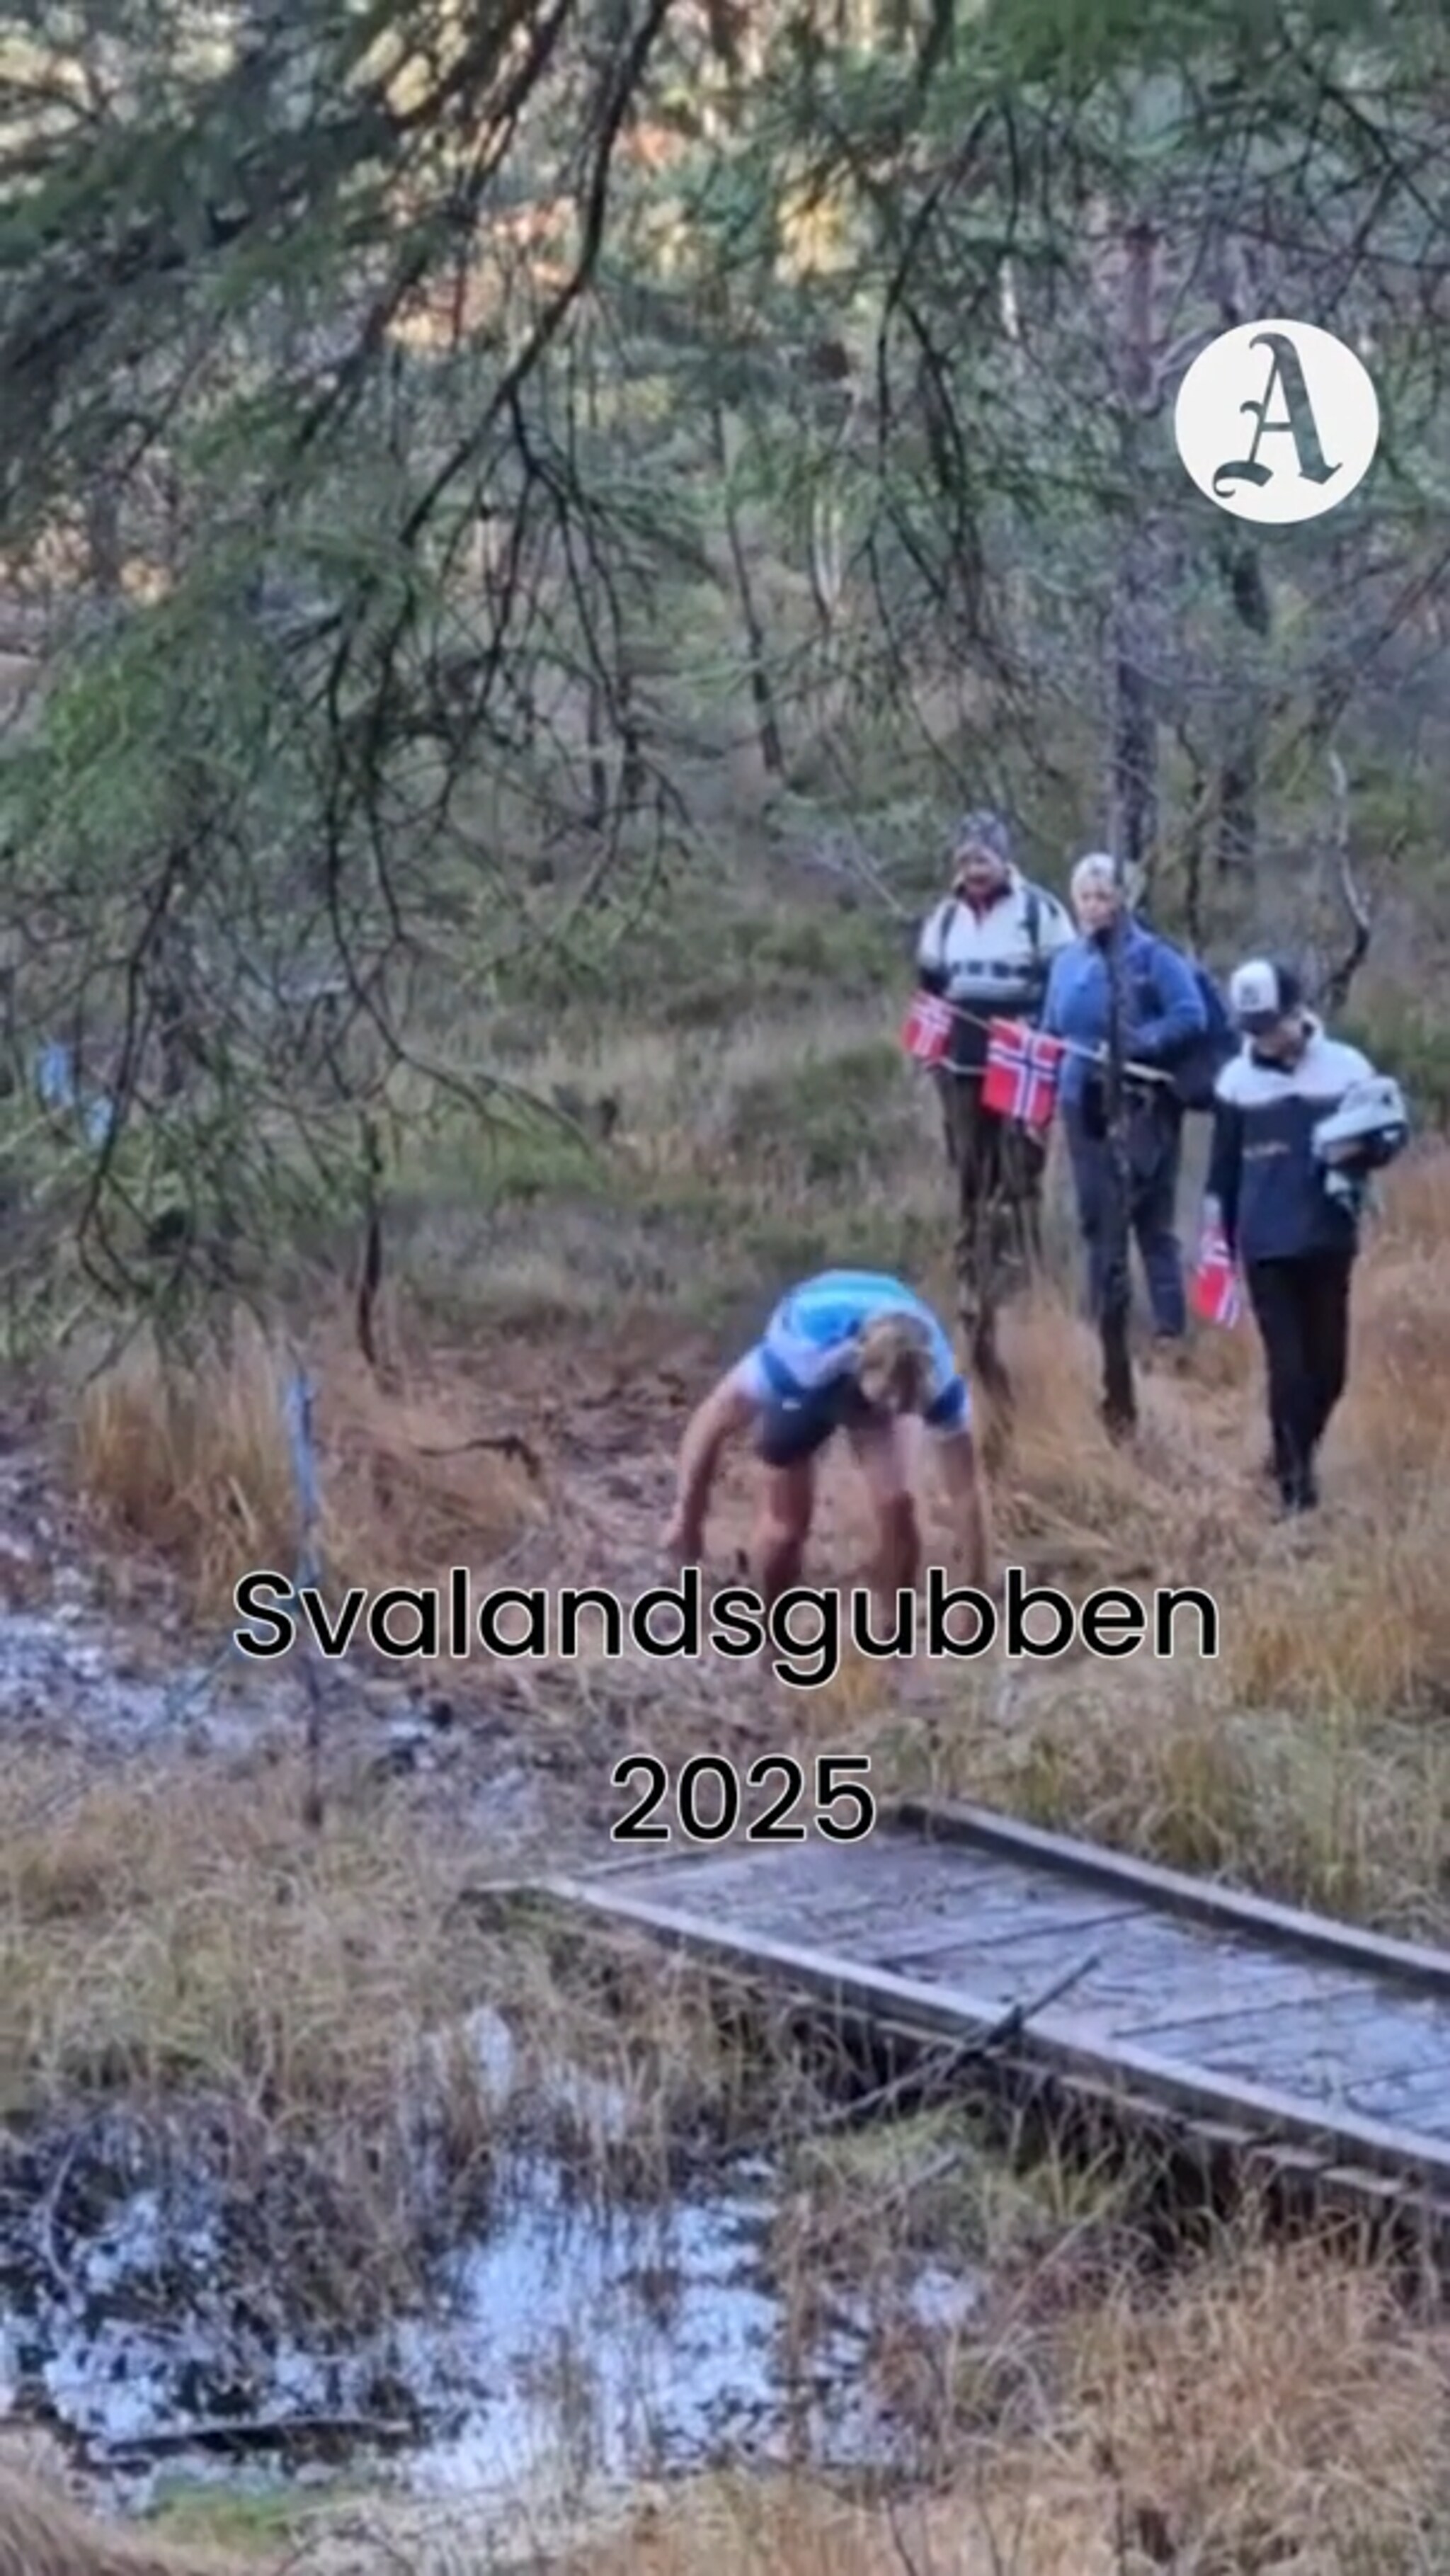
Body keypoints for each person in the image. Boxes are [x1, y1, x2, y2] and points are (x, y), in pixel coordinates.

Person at [661, 1268, 992, 1621]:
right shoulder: (800, 1353)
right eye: (888, 1401)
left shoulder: (938, 1377)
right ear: (861, 1371)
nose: (897, 1411)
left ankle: (895, 1639)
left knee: (898, 1505)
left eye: (907, 1406)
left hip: (883, 1360)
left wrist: (975, 1595)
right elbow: (713, 1421)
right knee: (786, 1526)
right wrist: (688, 1515)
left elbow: (967, 1493)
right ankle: (772, 1636)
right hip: (818, 1366)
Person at [1206, 957, 1409, 1514]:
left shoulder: (1347, 1068)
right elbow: (1221, 1172)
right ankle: (1295, 1488)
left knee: (1330, 1370)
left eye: (1273, 1025)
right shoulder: (1235, 1082)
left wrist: (1366, 1151)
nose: (1266, 1039)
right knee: (1288, 1369)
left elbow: (1387, 1137)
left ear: (1297, 1013)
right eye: (1254, 1029)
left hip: (1329, 1237)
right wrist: (1217, 1244)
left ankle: (1299, 1449)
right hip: (1265, 1244)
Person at [915, 811, 1075, 1338]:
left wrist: (1050, 1041)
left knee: (1020, 1174)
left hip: (1022, 1069)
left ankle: (1028, 1283)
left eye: (982, 858)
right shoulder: (943, 919)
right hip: (961, 1070)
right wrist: (929, 1052)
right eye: (964, 859)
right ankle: (970, 1282)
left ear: (1004, 859)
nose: (973, 869)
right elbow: (931, 990)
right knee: (970, 1175)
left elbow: (1068, 984)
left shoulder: (1041, 911)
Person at [1039, 853, 1207, 1347]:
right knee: (1097, 1218)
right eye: (1086, 897)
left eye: (1104, 897)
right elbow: (1052, 1031)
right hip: (1080, 1103)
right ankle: (1103, 1329)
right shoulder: (1067, 963)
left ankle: (1169, 1331)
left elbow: (1189, 1014)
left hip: (1142, 1103)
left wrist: (1133, 1043)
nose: (1094, 907)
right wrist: (1045, 1100)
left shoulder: (1155, 957)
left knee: (1151, 1219)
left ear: (1123, 900)